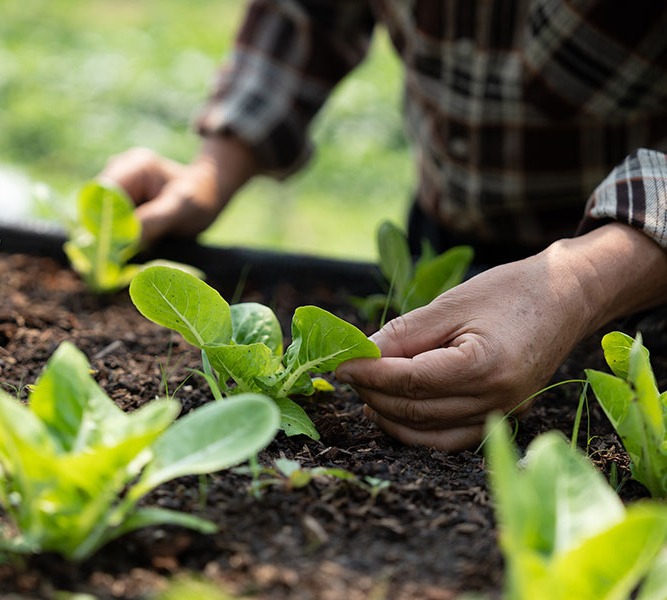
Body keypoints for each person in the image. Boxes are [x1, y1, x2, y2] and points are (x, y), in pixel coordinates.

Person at [101, 1, 667, 451]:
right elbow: (304, 13)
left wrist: (582, 281)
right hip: (443, 236)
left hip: (646, 274)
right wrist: (212, 169)